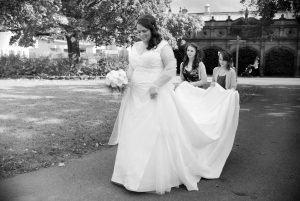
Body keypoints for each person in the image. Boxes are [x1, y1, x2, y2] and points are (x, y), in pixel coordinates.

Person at [108, 14, 240, 194]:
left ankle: (150, 176)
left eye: (144, 31)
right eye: (138, 31)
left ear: (152, 29)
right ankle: (129, 174)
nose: (141, 34)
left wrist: (156, 85)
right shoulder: (136, 46)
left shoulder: (163, 47)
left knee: (154, 132)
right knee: (134, 131)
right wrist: (125, 81)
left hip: (155, 94)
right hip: (135, 94)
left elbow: (170, 68)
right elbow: (132, 67)